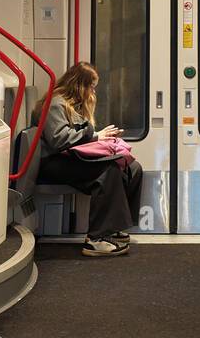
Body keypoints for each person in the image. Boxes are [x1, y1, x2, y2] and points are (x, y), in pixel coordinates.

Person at [37, 61, 144, 257]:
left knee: (132, 167)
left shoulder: (73, 105)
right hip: (54, 162)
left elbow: (78, 134)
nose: (93, 91)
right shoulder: (55, 104)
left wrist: (97, 135)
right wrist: (95, 136)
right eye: (91, 86)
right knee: (109, 171)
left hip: (71, 157)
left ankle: (114, 227)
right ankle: (95, 239)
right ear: (80, 85)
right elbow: (58, 139)